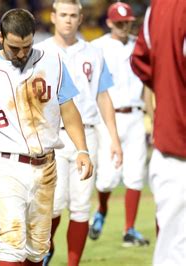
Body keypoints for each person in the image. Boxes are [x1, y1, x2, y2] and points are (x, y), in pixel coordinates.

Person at [0, 8, 93, 266]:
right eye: (15, 48)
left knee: (37, 249)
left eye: (27, 46)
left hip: (46, 166)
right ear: (0, 37)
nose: (21, 53)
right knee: (11, 245)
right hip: (7, 166)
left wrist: (82, 149)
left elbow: (68, 108)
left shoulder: (53, 62)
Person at [37, 1, 122, 265]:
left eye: (73, 15)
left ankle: (73, 263)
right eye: (63, 15)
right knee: (53, 204)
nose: (68, 20)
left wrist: (114, 138)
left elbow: (103, 95)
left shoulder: (93, 52)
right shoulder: (39, 52)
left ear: (80, 18)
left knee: (82, 205)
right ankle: (45, 250)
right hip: (52, 136)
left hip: (86, 134)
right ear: (53, 17)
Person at [89, 1, 150, 247]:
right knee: (107, 178)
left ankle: (129, 229)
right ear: (109, 22)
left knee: (135, 176)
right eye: (120, 22)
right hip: (107, 117)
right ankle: (102, 210)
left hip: (135, 114)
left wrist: (152, 119)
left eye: (128, 22)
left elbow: (147, 84)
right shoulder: (96, 47)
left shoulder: (140, 46)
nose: (125, 26)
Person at [130, 0, 186, 265]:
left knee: (172, 253)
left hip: (171, 150)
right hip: (176, 144)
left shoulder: (160, 8)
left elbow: (142, 62)